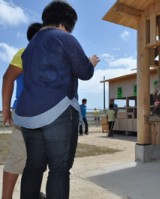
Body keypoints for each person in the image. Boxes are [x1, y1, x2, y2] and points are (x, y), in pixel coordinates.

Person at [13, 1, 99, 199]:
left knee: (34, 166)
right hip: (58, 111)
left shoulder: (30, 47)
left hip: (27, 115)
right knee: (59, 170)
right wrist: (91, 63)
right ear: (64, 24)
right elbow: (84, 72)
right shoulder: (63, 37)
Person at [1, 22, 43, 199]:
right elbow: (7, 78)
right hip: (25, 114)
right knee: (18, 157)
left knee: (38, 160)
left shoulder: (49, 57)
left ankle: (32, 194)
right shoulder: (24, 52)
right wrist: (6, 111)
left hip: (45, 116)